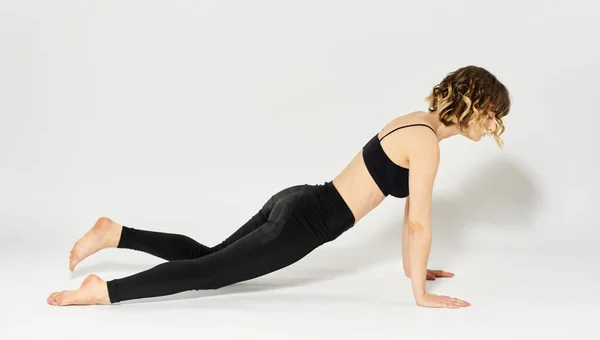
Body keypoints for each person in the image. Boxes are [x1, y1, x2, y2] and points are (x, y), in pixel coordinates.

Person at [47, 65, 510, 308]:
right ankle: (103, 292)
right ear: (474, 104)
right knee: (206, 275)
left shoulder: (413, 122)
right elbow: (418, 224)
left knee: (205, 257)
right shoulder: (428, 146)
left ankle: (116, 233)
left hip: (298, 199)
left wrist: (416, 269)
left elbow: (412, 225)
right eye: (492, 114)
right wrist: (420, 294)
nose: (493, 126)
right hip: (304, 225)